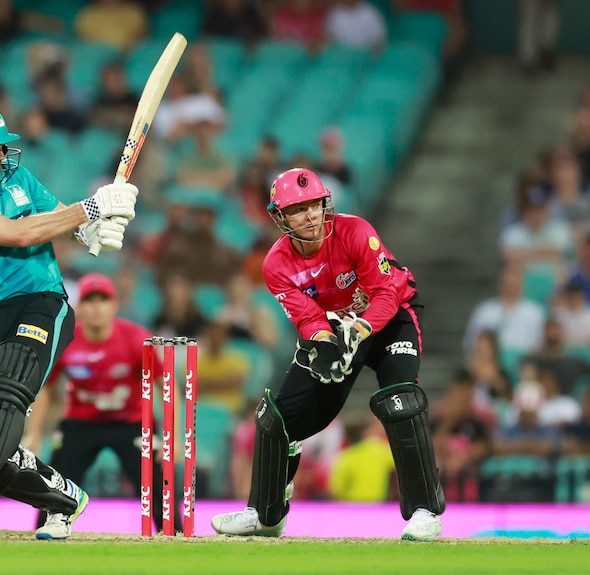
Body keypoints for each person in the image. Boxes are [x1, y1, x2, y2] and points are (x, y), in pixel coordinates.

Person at [0, 102, 138, 541]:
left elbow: (60, 220)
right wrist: (90, 210)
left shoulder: (19, 178)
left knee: (2, 393)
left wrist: (95, 231)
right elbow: (19, 233)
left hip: (41, 303)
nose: (0, 157)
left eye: (2, 147)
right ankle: (66, 499)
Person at [210, 168, 445, 541]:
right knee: (279, 417)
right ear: (281, 217)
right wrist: (325, 344)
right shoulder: (275, 265)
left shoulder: (355, 232)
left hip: (389, 320)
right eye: (298, 209)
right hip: (335, 329)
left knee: (400, 400)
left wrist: (361, 329)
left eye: (315, 205)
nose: (311, 216)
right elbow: (308, 318)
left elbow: (386, 295)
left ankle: (424, 512)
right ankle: (266, 515)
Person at [27, 273, 182, 535]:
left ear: (114, 306)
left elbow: (168, 387)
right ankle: (42, 536)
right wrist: (33, 433)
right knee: (53, 482)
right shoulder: (66, 341)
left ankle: (175, 536)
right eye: (90, 300)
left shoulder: (136, 339)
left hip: (132, 423)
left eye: (103, 300)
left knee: (157, 484)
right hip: (80, 423)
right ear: (80, 307)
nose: (97, 307)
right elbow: (47, 389)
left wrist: (173, 438)